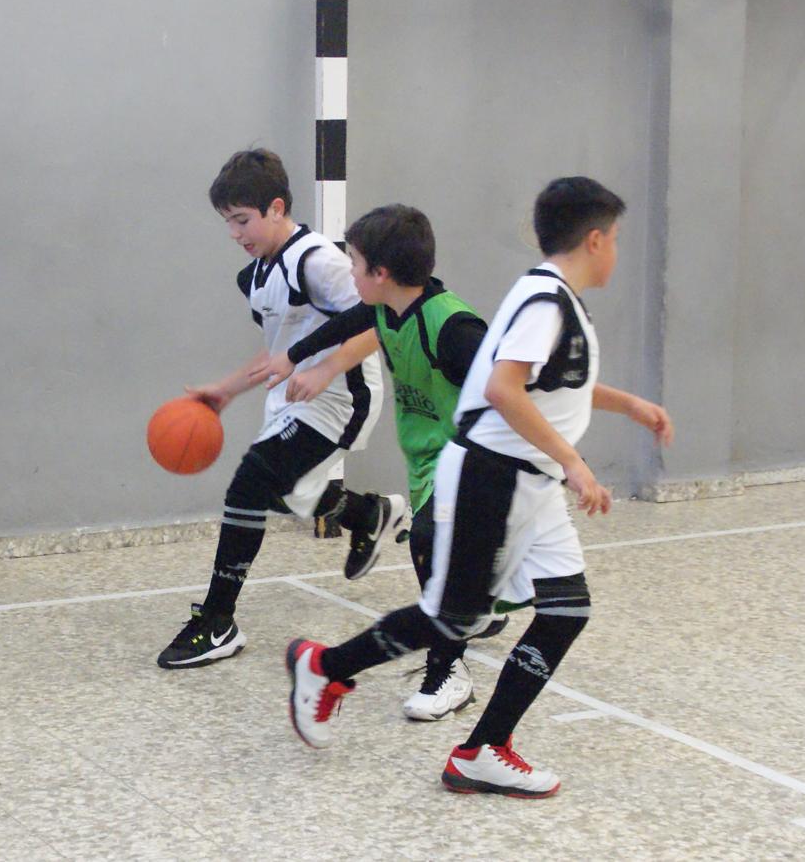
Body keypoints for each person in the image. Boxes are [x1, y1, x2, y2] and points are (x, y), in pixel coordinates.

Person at [285, 177, 675, 798]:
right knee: (454, 617)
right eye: (617, 239)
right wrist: (575, 462)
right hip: (491, 475)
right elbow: (502, 391)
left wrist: (629, 405)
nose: (617, 250)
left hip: (529, 481)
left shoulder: (553, 298)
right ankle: (323, 668)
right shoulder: (545, 300)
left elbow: (556, 384)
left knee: (565, 611)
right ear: (595, 239)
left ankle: (483, 749)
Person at [157, 149, 406, 669]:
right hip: (296, 396)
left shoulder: (317, 260)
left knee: (250, 484)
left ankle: (218, 619)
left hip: (341, 397)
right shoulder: (257, 275)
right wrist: (225, 391)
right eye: (227, 223)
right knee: (287, 493)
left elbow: (379, 320)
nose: (234, 233)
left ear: (275, 207)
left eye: (241, 220)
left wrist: (325, 370)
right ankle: (369, 514)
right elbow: (277, 348)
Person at [264, 203, 507, 720]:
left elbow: (506, 396)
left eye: (353, 262)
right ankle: (471, 612)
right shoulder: (385, 310)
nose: (348, 272)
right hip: (426, 457)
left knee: (429, 546)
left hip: (472, 458)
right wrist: (294, 355)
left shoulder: (454, 330)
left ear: (381, 273)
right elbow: (348, 323)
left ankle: (450, 671)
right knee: (445, 563)